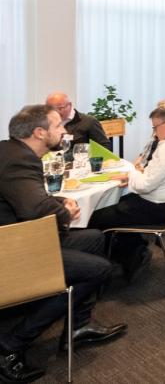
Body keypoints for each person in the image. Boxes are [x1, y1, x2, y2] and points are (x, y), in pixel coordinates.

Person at [0, 105, 126, 383]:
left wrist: (58, 202)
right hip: (9, 251)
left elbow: (24, 198)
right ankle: (11, 344)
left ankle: (77, 328)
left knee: (94, 238)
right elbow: (35, 211)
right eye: (58, 126)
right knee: (99, 269)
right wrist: (65, 212)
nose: (65, 131)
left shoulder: (10, 152)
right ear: (39, 132)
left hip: (16, 235)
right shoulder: (20, 161)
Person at [88, 105, 165, 282]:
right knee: (119, 201)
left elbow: (145, 185)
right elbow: (151, 179)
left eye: (155, 127)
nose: (154, 132)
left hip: (156, 207)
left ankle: (120, 260)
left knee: (94, 217)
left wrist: (131, 174)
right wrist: (135, 176)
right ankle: (133, 250)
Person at [45, 92, 112, 150]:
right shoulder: (45, 122)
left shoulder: (89, 121)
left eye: (60, 108)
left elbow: (105, 146)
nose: (56, 112)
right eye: (51, 109)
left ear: (70, 105)